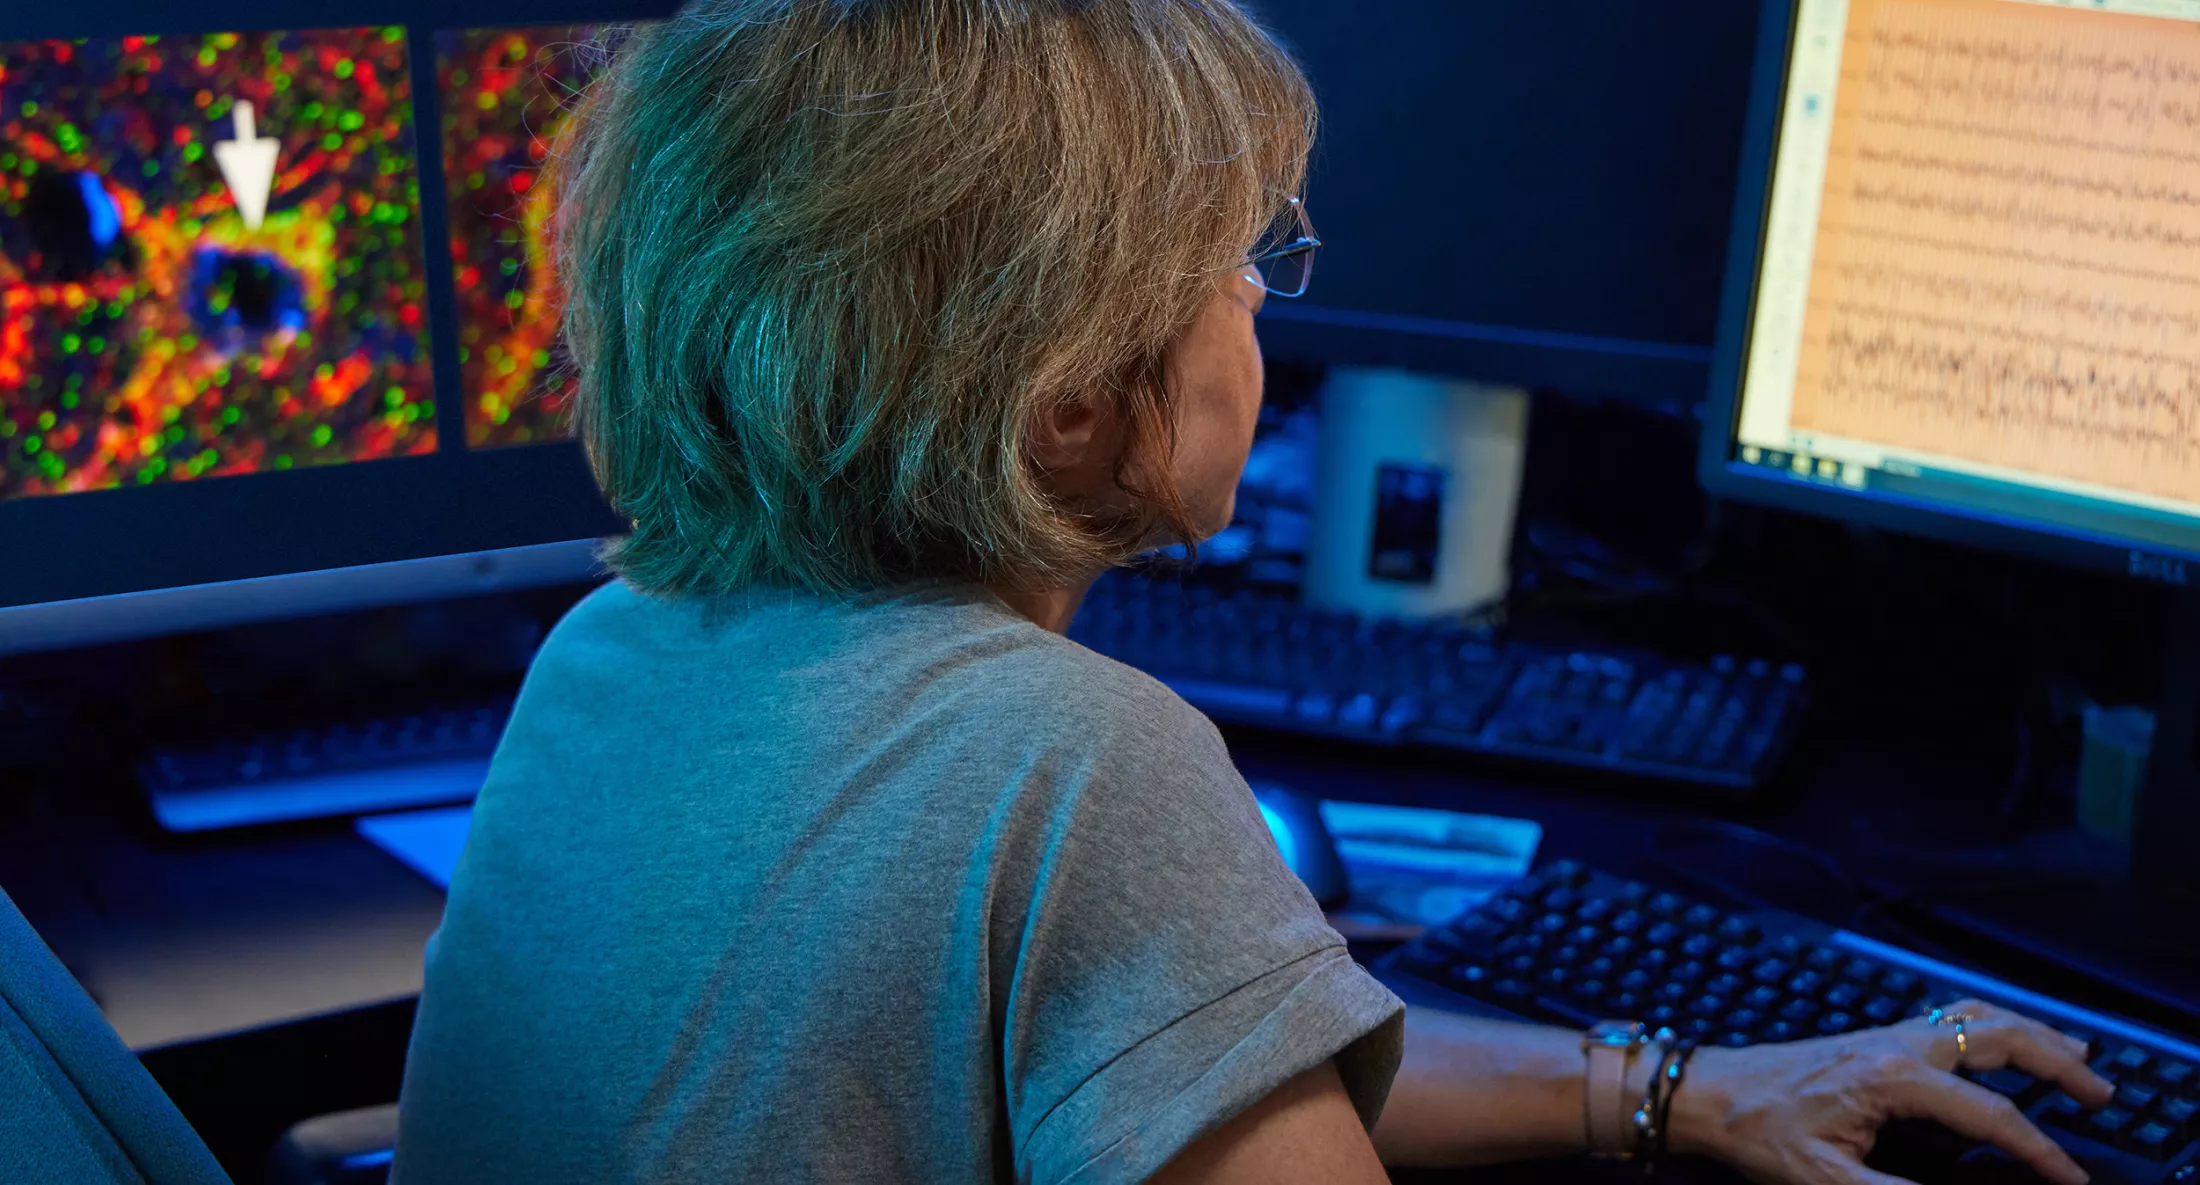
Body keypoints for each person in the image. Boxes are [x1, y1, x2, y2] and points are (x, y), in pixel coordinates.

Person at [390, 2, 2114, 1182]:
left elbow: (1189, 1043)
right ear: (1066, 394)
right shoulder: (1069, 760)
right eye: (1234, 258)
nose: (1260, 309)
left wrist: (1665, 1091)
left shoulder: (613, 655)